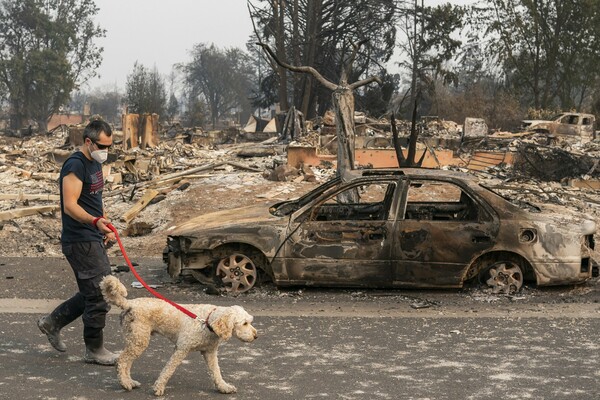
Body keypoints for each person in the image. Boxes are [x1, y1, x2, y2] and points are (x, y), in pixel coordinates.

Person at [37, 119, 119, 365]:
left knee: (91, 290)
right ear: (88, 141)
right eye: (102, 146)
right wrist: (95, 222)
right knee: (101, 293)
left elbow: (94, 199)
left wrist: (104, 224)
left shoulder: (94, 162)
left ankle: (52, 322)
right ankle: (94, 349)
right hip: (79, 239)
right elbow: (70, 206)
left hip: (93, 234)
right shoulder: (75, 165)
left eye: (109, 146)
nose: (106, 151)